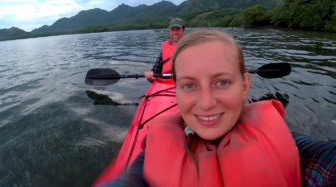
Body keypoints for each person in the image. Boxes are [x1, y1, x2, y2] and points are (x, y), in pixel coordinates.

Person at [105, 29, 301, 187]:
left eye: (222, 82)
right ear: (177, 89)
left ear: (245, 86)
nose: (206, 103)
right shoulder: (150, 156)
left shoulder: (295, 146)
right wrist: (152, 75)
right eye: (189, 85)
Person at [144, 18, 185, 82]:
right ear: (170, 31)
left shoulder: (190, 47)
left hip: (184, 83)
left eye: (177, 30)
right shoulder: (165, 49)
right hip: (165, 84)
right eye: (172, 30)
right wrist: (150, 77)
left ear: (183, 30)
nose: (175, 32)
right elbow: (155, 72)